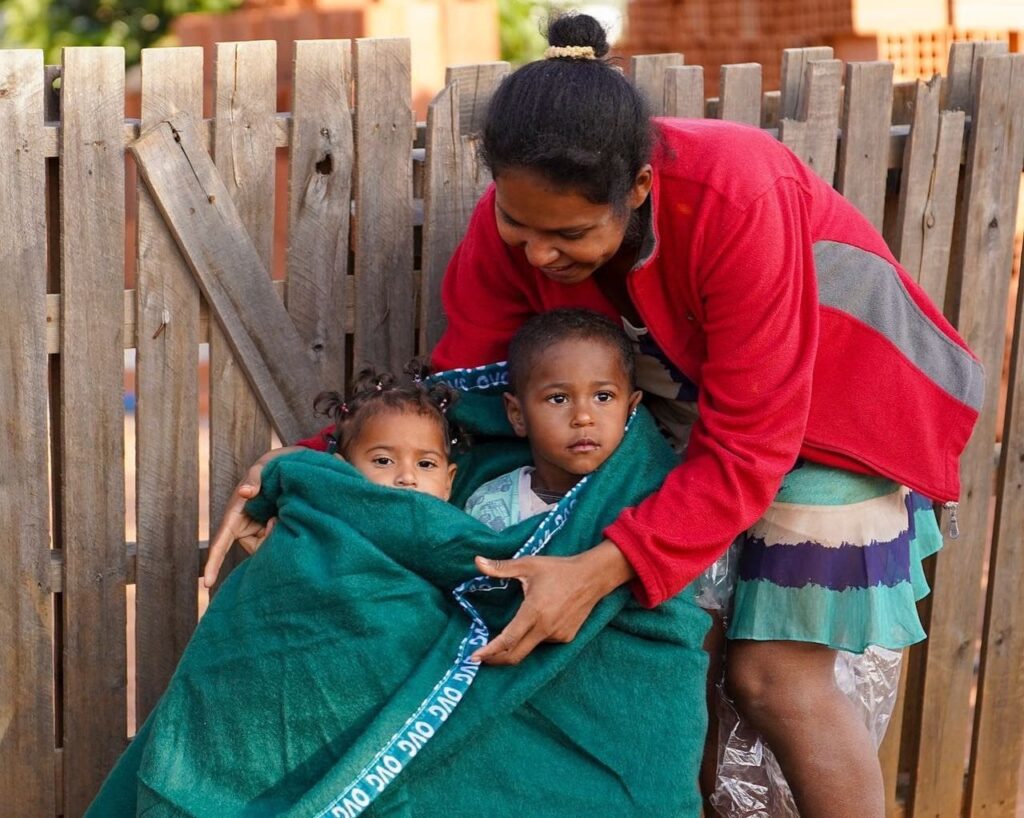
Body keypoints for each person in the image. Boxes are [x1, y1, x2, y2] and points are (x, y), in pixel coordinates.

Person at [204, 12, 982, 818]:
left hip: (840, 405)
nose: (538, 255)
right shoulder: (513, 230)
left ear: (639, 189)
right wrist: (320, 461)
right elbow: (465, 383)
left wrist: (599, 568)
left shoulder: (738, 194)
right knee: (682, 649)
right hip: (701, 396)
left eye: (569, 233)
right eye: (518, 224)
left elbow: (750, 442)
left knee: (772, 676)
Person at [463, 308, 642, 530]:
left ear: (630, 409)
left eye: (603, 396)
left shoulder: (646, 506)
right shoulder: (490, 505)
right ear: (517, 415)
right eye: (558, 399)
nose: (583, 417)